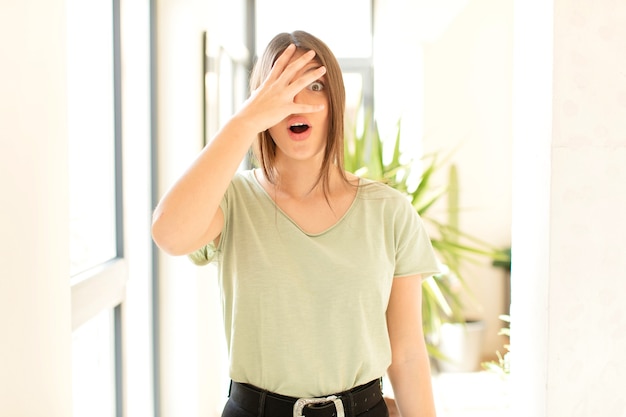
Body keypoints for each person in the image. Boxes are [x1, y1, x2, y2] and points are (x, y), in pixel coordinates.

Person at [152, 30, 440, 417]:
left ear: (334, 101)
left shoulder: (388, 211)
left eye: (314, 84)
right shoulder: (231, 202)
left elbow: (406, 355)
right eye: (281, 86)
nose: (297, 100)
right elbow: (169, 234)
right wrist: (244, 122)